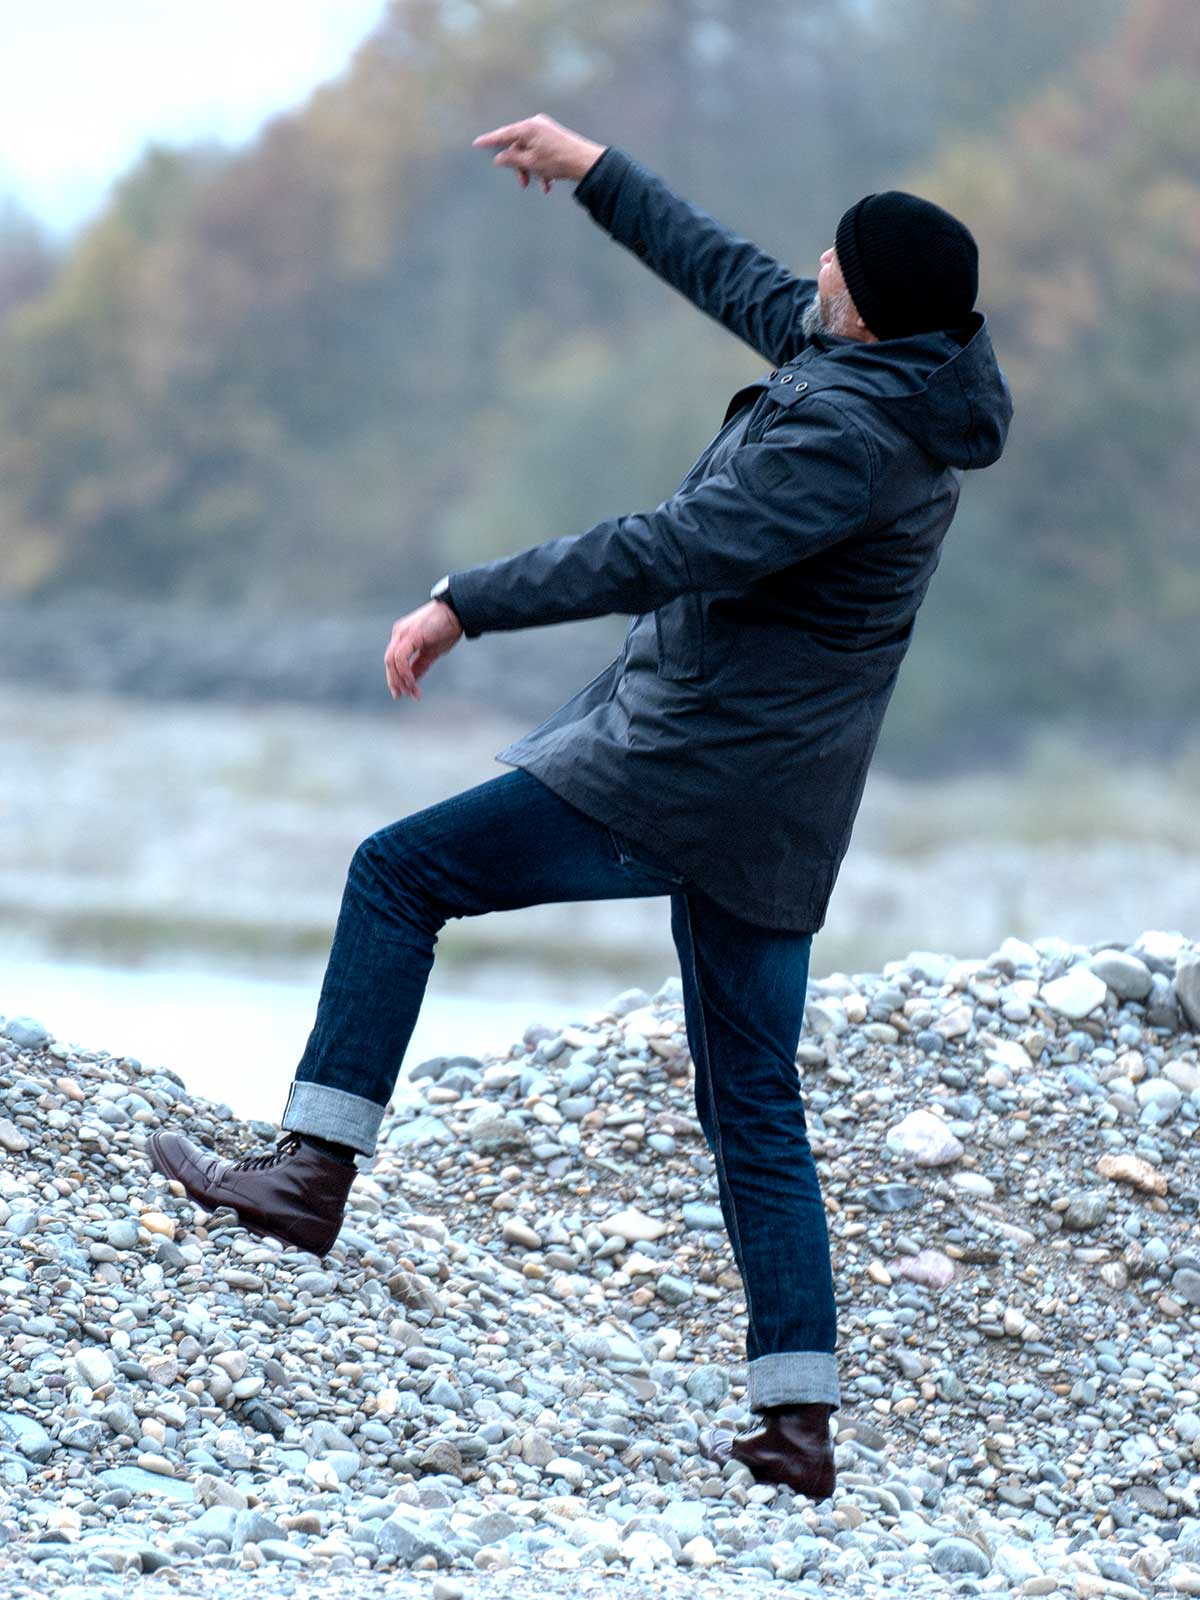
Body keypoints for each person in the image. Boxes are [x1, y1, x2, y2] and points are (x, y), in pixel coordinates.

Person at [148, 113, 1012, 1500]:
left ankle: (309, 1178)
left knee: (397, 874)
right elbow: (729, 272)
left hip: (689, 775)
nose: (811, 268)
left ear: (866, 299)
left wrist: (463, 602)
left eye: (833, 260)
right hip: (775, 806)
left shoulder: (846, 444)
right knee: (756, 1105)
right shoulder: (891, 377)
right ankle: (799, 1429)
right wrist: (595, 171)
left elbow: (663, 549)